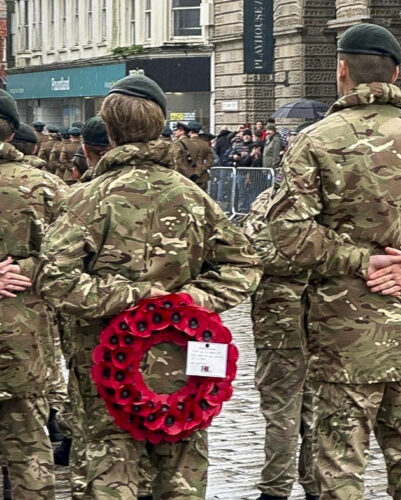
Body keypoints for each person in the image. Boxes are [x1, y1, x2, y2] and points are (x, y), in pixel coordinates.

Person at [267, 23, 401, 499]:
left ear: (341, 70)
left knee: (340, 464)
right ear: (397, 74)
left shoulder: (316, 140)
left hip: (341, 335)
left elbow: (287, 232)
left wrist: (360, 260)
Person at [31, 74, 262, 500]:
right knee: (181, 473)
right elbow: (244, 264)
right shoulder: (193, 197)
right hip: (185, 363)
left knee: (111, 471)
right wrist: (188, 302)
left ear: (110, 131)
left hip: (108, 365)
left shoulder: (87, 199)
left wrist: (134, 298)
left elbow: (54, 280)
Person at [0, 89, 68, 499]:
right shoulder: (47, 187)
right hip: (25, 343)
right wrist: (29, 268)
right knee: (28, 454)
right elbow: (79, 261)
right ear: (13, 132)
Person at [243, 187, 319, 500]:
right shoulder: (333, 196)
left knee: (285, 410)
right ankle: (314, 486)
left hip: (282, 318)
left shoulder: (271, 200)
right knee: (311, 409)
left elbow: (253, 251)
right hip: (317, 317)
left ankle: (277, 489)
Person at [187, 120, 213, 190]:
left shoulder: (186, 144)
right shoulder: (205, 144)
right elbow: (210, 161)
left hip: (189, 176)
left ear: (190, 132)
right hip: (202, 177)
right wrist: (202, 168)